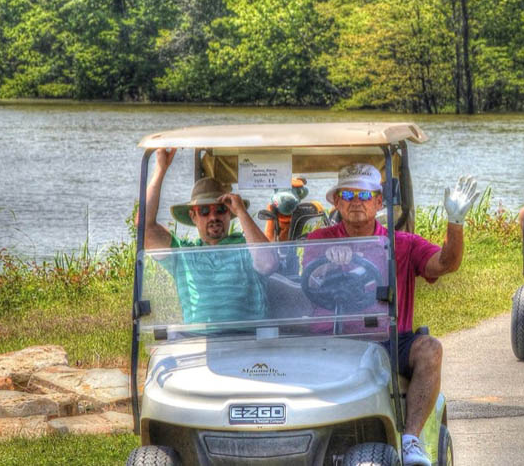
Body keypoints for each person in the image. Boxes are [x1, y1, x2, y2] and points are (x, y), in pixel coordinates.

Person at [307, 163, 478, 466]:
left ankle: (410, 439)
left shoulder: (403, 243)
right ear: (337, 202)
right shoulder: (320, 240)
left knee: (430, 349)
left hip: (389, 339)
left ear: (378, 202)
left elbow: (445, 263)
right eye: (348, 194)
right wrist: (328, 263)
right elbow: (310, 280)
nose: (356, 201)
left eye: (364, 195)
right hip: (333, 340)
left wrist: (455, 223)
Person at [139, 148, 277, 324]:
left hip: (248, 336)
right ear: (193, 216)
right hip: (197, 338)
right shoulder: (183, 254)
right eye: (204, 211)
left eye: (220, 209)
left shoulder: (246, 247)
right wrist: (160, 170)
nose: (213, 217)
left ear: (229, 212)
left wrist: (241, 212)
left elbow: (268, 264)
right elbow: (145, 228)